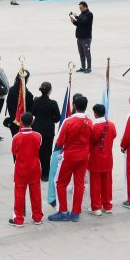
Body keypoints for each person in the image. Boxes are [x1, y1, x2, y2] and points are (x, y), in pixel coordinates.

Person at [49, 94, 93, 222]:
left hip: (69, 156)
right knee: (79, 183)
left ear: (74, 105)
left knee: (60, 182)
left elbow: (59, 141)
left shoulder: (68, 121)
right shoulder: (89, 122)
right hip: (84, 156)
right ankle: (75, 212)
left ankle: (62, 211)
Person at [9, 111, 43, 226]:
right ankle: (37, 217)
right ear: (32, 122)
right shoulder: (38, 136)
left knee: (19, 193)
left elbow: (14, 151)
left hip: (21, 168)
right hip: (34, 168)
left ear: (21, 123)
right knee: (36, 193)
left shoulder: (16, 137)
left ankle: (18, 219)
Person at [88, 103, 116, 214]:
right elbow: (114, 135)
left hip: (96, 158)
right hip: (108, 158)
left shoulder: (94, 127)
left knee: (95, 183)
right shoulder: (112, 125)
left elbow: (90, 143)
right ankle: (107, 205)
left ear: (95, 114)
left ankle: (96, 207)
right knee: (107, 183)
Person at [30, 82, 59, 181]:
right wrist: (51, 120)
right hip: (48, 130)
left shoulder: (36, 101)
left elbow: (32, 112)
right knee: (47, 151)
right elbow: (57, 118)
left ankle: (37, 170)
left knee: (38, 150)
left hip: (37, 128)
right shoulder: (53, 103)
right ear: (50, 91)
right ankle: (45, 173)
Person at [69, 1, 93, 73]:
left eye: (81, 8)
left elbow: (84, 21)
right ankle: (83, 67)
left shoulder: (89, 14)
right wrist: (74, 22)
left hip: (86, 38)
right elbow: (79, 24)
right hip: (79, 38)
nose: (80, 9)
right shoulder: (81, 14)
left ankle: (89, 68)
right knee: (81, 53)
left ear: (85, 7)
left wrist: (76, 17)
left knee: (87, 53)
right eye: (79, 8)